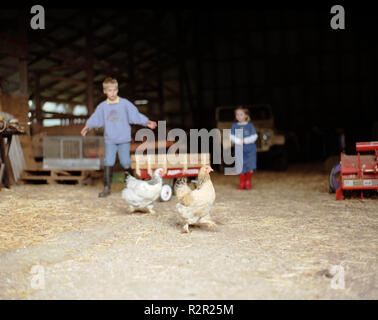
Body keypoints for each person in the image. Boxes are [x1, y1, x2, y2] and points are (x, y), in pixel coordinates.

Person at [81, 77, 157, 197]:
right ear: (105, 91)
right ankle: (107, 188)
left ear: (117, 90)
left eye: (115, 90)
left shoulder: (124, 103)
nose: (112, 93)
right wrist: (87, 126)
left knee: (125, 161)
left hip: (123, 139)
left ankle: (130, 186)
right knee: (108, 161)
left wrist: (147, 122)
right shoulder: (103, 107)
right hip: (110, 139)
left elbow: (135, 115)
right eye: (110, 90)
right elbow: (96, 118)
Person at [230, 106, 258, 190]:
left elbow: (254, 136)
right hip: (239, 148)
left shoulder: (250, 126)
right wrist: (238, 141)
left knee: (250, 164)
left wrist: (245, 140)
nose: (239, 116)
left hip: (250, 149)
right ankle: (242, 183)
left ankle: (248, 182)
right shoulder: (234, 126)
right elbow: (231, 136)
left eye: (241, 114)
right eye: (237, 114)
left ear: (246, 115)